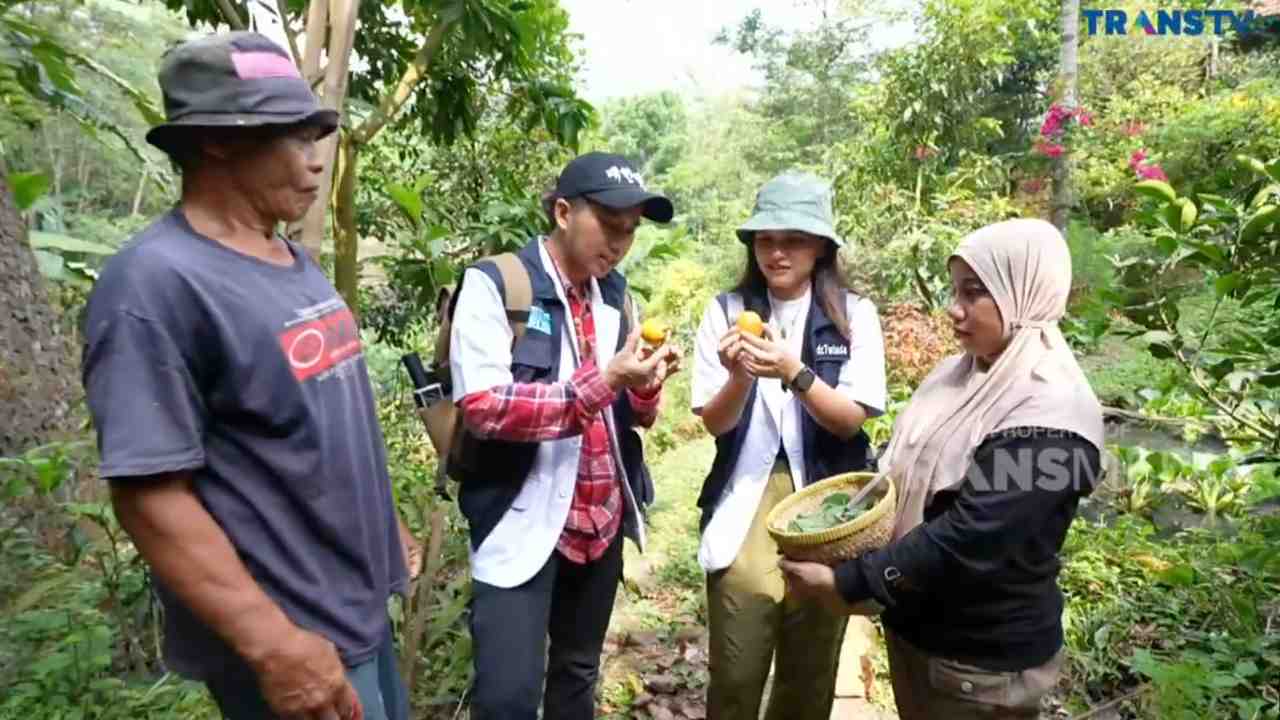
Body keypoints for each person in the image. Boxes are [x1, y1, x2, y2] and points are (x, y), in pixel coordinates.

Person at [81, 32, 410, 720]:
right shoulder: (155, 286)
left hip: (357, 614)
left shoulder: (289, 260)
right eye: (292, 137)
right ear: (219, 142)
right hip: (298, 636)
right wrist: (274, 647)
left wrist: (384, 529)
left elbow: (315, 421)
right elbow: (149, 497)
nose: (317, 161)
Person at [781, 218, 1105, 720]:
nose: (954, 310)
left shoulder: (1051, 415)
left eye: (974, 293)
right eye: (954, 291)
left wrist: (850, 583)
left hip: (980, 661)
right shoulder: (965, 375)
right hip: (924, 634)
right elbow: (904, 470)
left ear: (1024, 292)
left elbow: (974, 535)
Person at [447, 152, 682, 720]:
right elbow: (483, 407)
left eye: (630, 231)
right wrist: (601, 382)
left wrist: (647, 386)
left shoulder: (616, 298)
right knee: (507, 697)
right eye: (608, 225)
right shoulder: (496, 284)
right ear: (561, 212)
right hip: (521, 520)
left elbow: (632, 414)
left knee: (577, 676)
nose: (619, 243)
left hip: (598, 523)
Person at [690, 172, 887, 720]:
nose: (777, 252)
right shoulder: (726, 312)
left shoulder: (853, 316)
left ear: (821, 246)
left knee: (810, 673)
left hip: (827, 510)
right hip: (748, 497)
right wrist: (741, 376)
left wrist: (793, 371)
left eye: (793, 239)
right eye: (765, 239)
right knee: (736, 670)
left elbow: (850, 421)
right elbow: (715, 423)